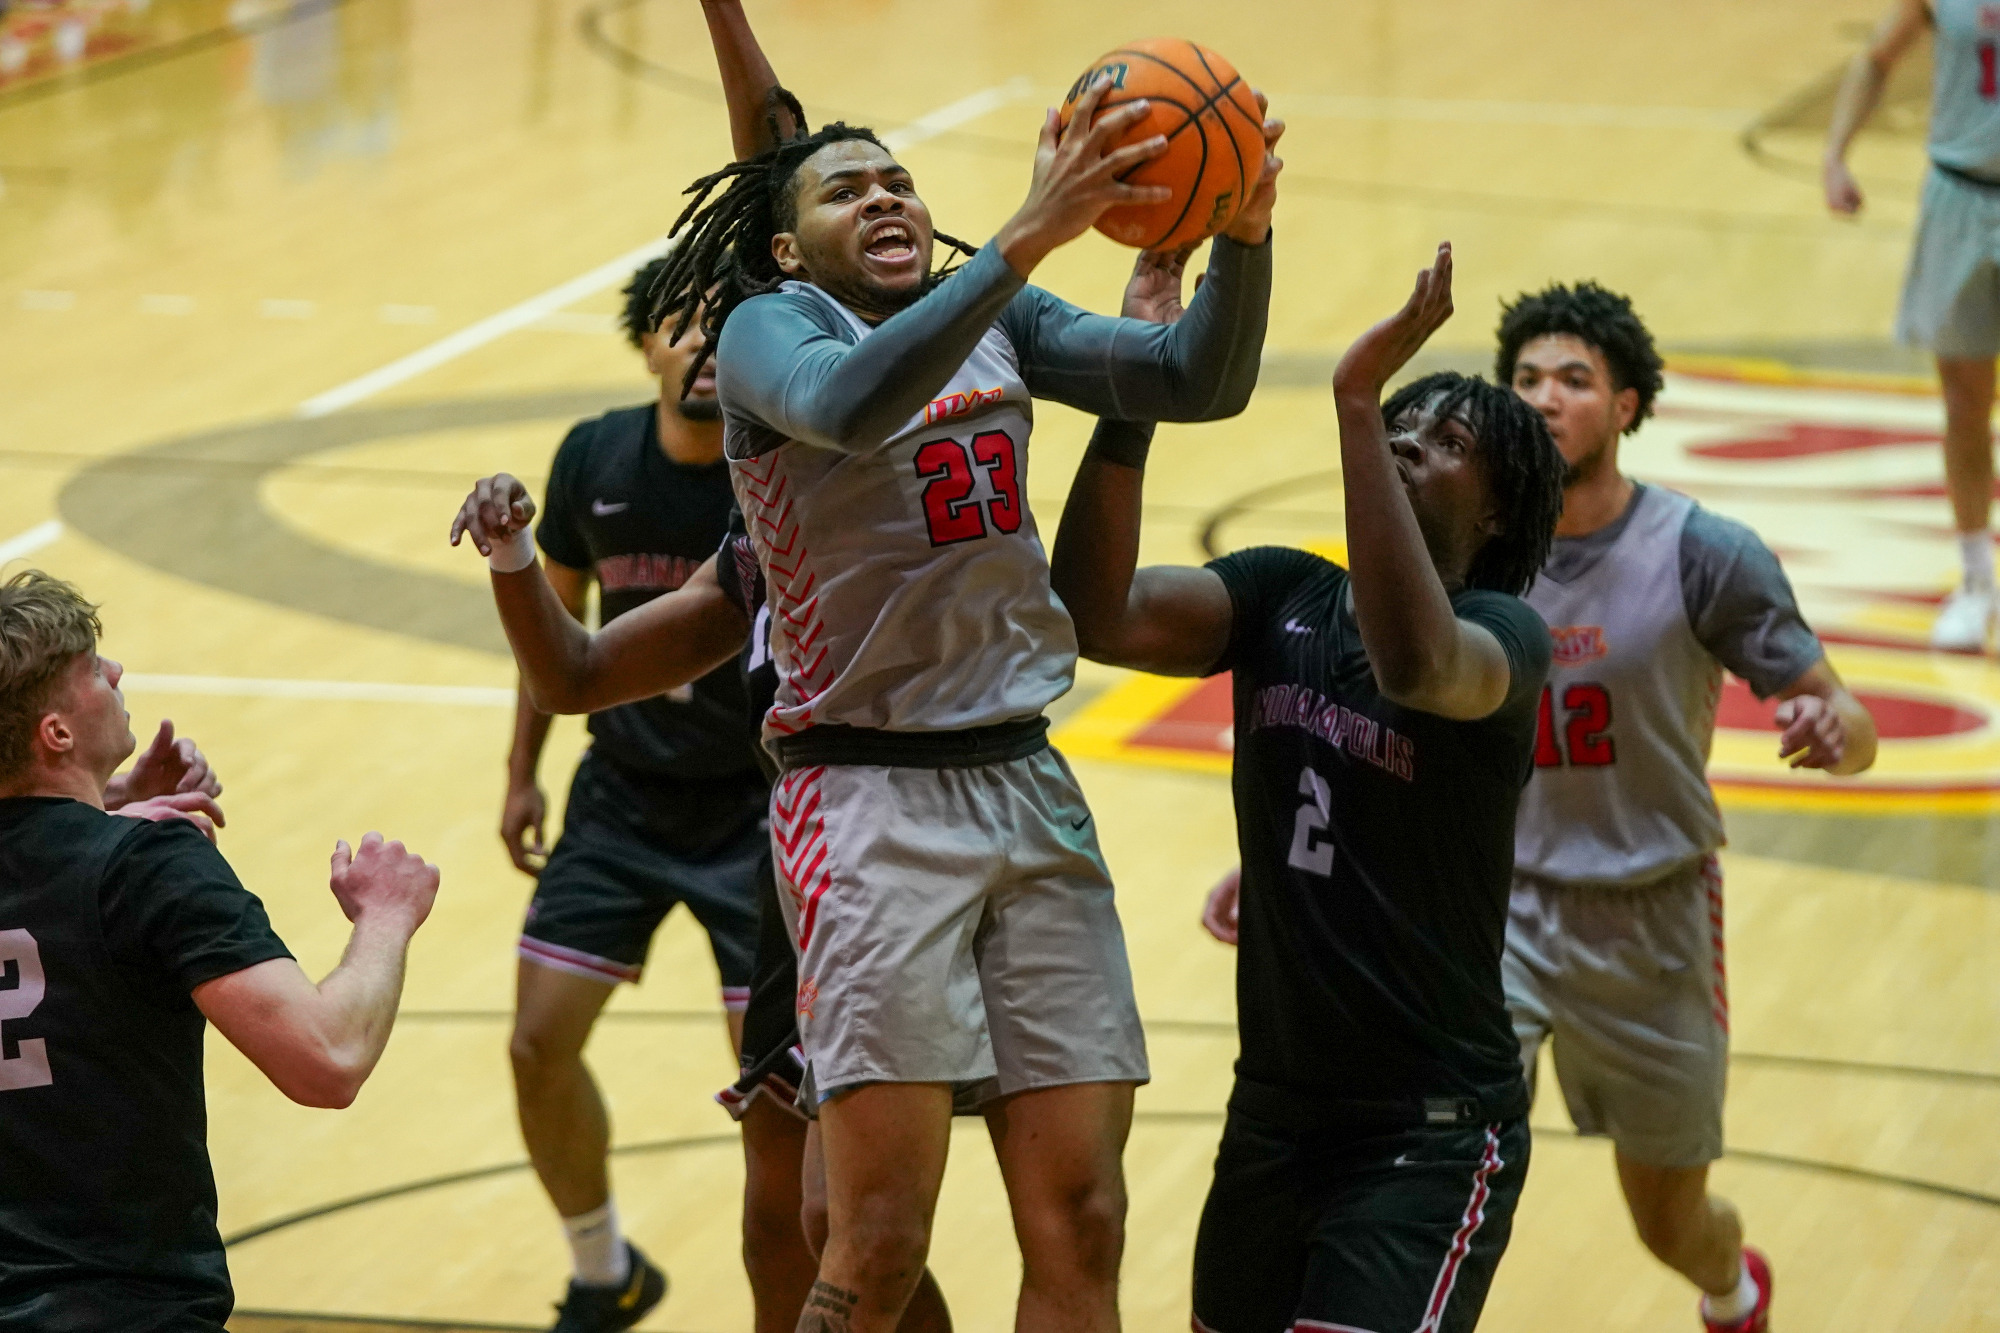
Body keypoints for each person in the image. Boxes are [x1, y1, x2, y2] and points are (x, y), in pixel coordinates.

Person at [624, 58, 1282, 1333]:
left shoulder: (996, 312)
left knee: (1084, 1220)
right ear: (785, 246)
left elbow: (1196, 378)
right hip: (864, 798)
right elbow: (848, 407)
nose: (882, 197)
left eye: (898, 181)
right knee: (873, 1242)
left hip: (1024, 780)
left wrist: (1244, 236)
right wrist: (1027, 235)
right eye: (843, 190)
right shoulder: (769, 330)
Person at [1054, 243, 1566, 1333]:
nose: (1409, 439)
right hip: (1275, 1117)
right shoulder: (1279, 592)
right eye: (1403, 422)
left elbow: (1413, 667)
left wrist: (1356, 400)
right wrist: (1133, 387)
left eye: (1450, 441)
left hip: (1428, 1133)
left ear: (1498, 512)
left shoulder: (1504, 638)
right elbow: (1094, 614)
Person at [1497, 282, 1878, 1333]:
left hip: (1650, 910)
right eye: (1525, 378)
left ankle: (1733, 1290)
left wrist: (1834, 730)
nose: (1544, 397)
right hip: (1497, 904)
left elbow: (1848, 718)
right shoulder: (1464, 547)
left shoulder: (1701, 549)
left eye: (1573, 379)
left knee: (1668, 1224)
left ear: (1625, 407)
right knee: (1442, 1154)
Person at [0, 569, 440, 1332]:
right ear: (56, 733)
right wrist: (385, 915)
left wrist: (100, 805)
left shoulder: (124, 847)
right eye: (92, 669)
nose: (115, 672)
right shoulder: (149, 863)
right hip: (133, 1309)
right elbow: (327, 1058)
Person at [500, 247, 772, 1330]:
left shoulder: (779, 468)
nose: (702, 340)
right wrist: (520, 772)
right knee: (536, 1044)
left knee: (773, 1091)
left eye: (725, 322)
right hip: (619, 794)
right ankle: (603, 1270)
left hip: (756, 807)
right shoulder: (593, 456)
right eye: (680, 322)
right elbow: (554, 632)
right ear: (646, 345)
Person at [1824, 0, 2000, 649]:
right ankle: (1976, 580)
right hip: (1959, 197)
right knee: (1964, 401)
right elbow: (1876, 59)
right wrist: (1836, 154)